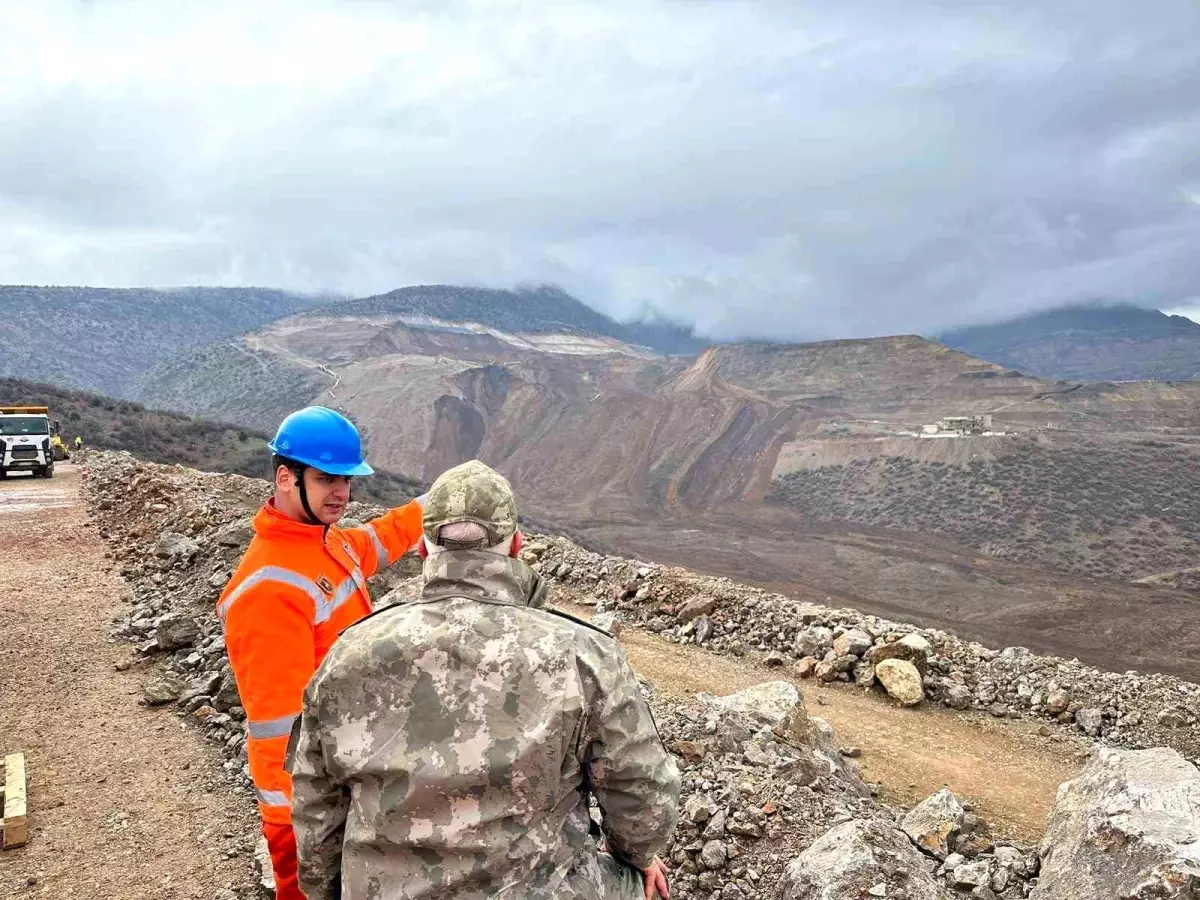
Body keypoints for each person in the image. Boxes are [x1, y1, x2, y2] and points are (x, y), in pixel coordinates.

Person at [288, 459, 681, 900]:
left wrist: (324, 891)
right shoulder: (585, 656)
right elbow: (643, 797)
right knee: (640, 885)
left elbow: (316, 806)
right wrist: (638, 855)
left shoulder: (348, 653)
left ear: (422, 549)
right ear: (516, 546)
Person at [218, 406, 425, 900]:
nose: (342, 493)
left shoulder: (322, 543)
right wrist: (307, 827)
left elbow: (378, 540)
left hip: (350, 769)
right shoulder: (267, 589)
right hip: (309, 810)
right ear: (286, 478)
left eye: (347, 480)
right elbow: (282, 732)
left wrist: (438, 504)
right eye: (328, 478)